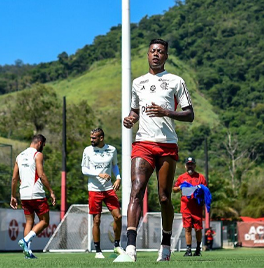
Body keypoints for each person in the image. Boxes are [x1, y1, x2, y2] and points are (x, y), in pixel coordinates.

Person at [122, 38, 194, 262]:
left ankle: (165, 245)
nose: (156, 54)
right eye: (153, 51)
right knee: (136, 189)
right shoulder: (137, 83)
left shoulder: (175, 81)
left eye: (160, 51)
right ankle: (130, 248)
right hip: (143, 142)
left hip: (167, 144)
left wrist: (167, 112)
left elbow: (189, 114)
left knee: (164, 197)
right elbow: (135, 111)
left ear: (166, 56)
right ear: (147, 54)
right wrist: (130, 119)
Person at [11, 134, 56, 259]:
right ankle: (25, 241)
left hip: (24, 195)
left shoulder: (19, 156)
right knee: (45, 221)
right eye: (44, 145)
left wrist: (12, 196)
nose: (43, 147)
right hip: (36, 194)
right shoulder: (37, 154)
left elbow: (14, 178)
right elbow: (41, 174)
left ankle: (27, 253)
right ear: (40, 143)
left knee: (29, 222)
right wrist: (51, 191)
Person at [81, 128, 124, 258]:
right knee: (97, 220)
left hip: (108, 189)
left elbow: (115, 165)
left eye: (94, 138)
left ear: (101, 138)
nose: (91, 140)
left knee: (118, 216)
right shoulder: (87, 150)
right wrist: (98, 174)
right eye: (91, 137)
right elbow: (84, 169)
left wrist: (118, 178)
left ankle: (116, 246)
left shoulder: (112, 149)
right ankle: (98, 251)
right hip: (94, 189)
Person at [173, 156, 207, 257]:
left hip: (197, 207)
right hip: (186, 207)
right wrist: (180, 187)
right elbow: (174, 189)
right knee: (187, 228)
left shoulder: (200, 177)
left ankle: (197, 249)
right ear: (185, 166)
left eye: (192, 164)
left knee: (198, 229)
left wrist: (200, 191)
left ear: (195, 165)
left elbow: (206, 190)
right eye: (188, 164)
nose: (190, 166)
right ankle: (188, 250)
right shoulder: (181, 177)